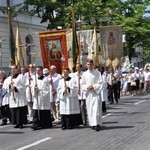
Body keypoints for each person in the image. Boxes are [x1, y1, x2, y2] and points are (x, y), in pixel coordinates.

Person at [81, 59, 103, 131]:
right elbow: (82, 84)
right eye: (88, 64)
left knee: (96, 109)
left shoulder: (97, 73)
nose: (89, 66)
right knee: (90, 109)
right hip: (89, 94)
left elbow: (100, 83)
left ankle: (97, 124)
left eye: (90, 64)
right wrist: (87, 87)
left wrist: (93, 87)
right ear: (86, 65)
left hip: (95, 93)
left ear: (93, 65)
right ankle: (92, 124)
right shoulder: (84, 74)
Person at [31, 66, 52, 130]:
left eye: (39, 70)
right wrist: (34, 89)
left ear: (42, 71)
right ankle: (35, 124)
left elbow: (47, 89)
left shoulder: (45, 79)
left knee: (43, 111)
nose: (37, 71)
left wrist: (39, 90)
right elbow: (32, 86)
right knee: (35, 111)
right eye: (36, 70)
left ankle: (44, 124)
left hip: (43, 98)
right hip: (37, 97)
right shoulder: (35, 79)